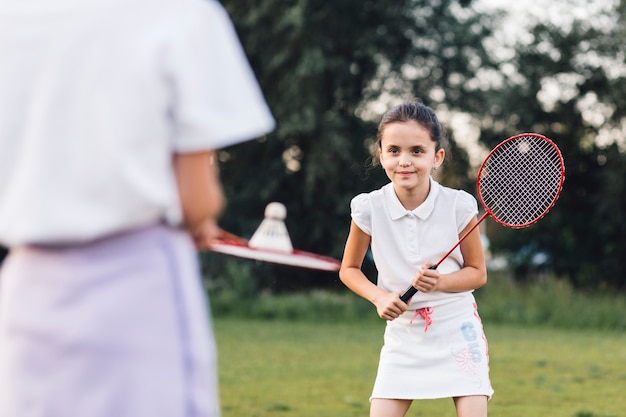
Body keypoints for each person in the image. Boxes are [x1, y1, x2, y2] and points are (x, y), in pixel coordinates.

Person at [0, 1, 274, 417]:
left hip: (26, 285)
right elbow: (194, 201)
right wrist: (201, 219)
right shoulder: (180, 13)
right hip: (135, 284)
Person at [339, 100, 493, 417]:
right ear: (380, 154)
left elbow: (477, 274)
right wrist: (380, 297)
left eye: (417, 151)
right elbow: (349, 270)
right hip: (404, 334)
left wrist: (441, 281)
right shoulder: (368, 207)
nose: (404, 161)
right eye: (394, 150)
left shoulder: (459, 205)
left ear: (437, 157)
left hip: (457, 329)